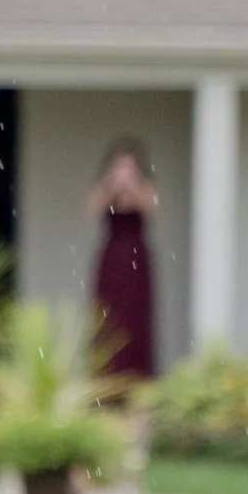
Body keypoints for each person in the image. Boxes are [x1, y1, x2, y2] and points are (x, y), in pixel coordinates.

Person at [88, 138, 160, 381]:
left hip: (136, 259)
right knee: (109, 319)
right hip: (112, 259)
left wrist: (133, 186)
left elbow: (151, 206)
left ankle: (137, 380)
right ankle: (106, 381)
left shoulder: (145, 188)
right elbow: (91, 208)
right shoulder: (106, 189)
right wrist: (112, 185)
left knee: (135, 320)